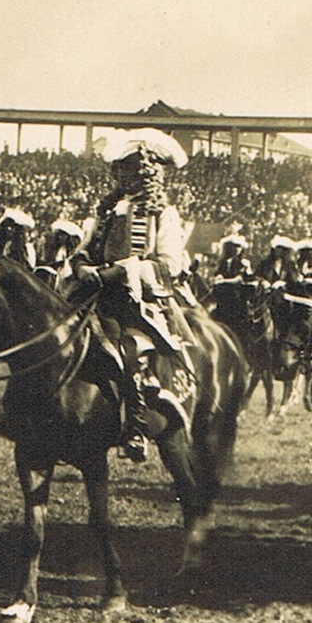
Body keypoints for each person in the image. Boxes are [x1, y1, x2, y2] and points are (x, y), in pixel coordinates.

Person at [70, 128, 196, 463]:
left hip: (138, 303)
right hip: (93, 294)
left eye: (131, 170)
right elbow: (86, 248)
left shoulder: (163, 215)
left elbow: (168, 264)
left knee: (130, 351)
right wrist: (82, 266)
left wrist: (124, 270)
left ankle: (136, 426)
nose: (124, 177)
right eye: (120, 170)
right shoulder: (107, 210)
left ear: (149, 172)